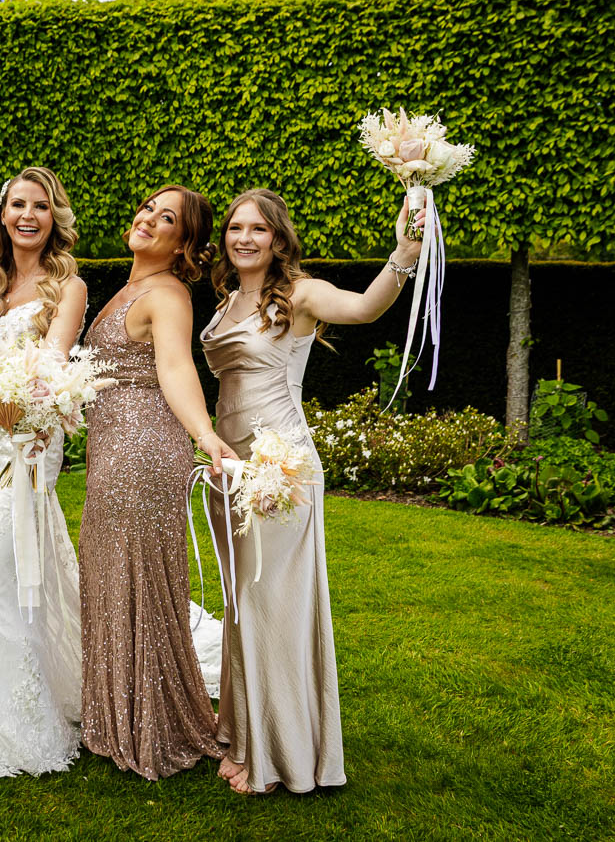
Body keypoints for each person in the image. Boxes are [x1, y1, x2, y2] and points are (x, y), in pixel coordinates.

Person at [202, 188, 424, 794]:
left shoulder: (299, 294)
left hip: (280, 468)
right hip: (230, 468)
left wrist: (403, 252)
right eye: (235, 228)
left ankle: (280, 756)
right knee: (243, 601)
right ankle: (246, 728)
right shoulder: (226, 301)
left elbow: (364, 307)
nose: (244, 238)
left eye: (258, 229)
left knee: (274, 601)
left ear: (278, 239)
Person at [78, 185, 236, 780]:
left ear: (184, 244)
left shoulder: (167, 295)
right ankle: (118, 714)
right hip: (113, 451)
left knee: (139, 584)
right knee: (114, 577)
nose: (148, 218)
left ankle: (152, 723)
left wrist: (204, 432)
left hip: (143, 453)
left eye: (166, 219)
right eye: (148, 207)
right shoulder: (129, 286)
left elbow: (175, 367)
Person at [0, 167, 87, 777]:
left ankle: (17, 725)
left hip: (27, 441)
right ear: (2, 214)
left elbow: (56, 365)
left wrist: (13, 401)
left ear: (53, 215)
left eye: (39, 206)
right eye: (17, 205)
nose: (27, 215)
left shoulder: (70, 286)